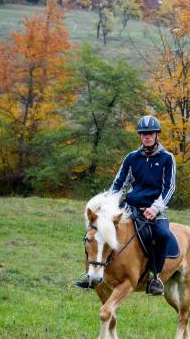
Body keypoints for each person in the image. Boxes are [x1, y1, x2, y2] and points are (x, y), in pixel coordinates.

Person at [75, 115, 176, 296]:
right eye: (143, 134)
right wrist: (107, 206)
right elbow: (118, 184)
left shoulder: (167, 158)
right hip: (130, 208)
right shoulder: (131, 158)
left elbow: (170, 187)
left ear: (157, 135)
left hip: (155, 209)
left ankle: (156, 278)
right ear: (140, 136)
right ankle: (91, 273)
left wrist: (155, 208)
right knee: (97, 232)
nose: (147, 136)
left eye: (150, 133)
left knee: (162, 234)